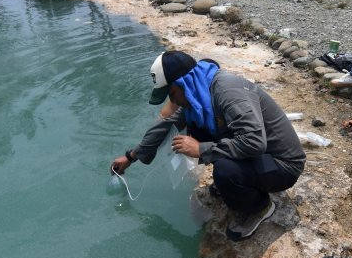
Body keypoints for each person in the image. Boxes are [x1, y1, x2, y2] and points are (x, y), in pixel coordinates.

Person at [111, 50, 306, 241]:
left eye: (171, 94)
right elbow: (165, 125)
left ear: (183, 83)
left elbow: (254, 141)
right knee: (196, 129)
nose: (173, 101)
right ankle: (242, 181)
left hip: (282, 165)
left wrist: (201, 149)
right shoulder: (198, 96)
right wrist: (131, 157)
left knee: (225, 170)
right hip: (261, 157)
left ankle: (259, 208)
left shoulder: (227, 92)